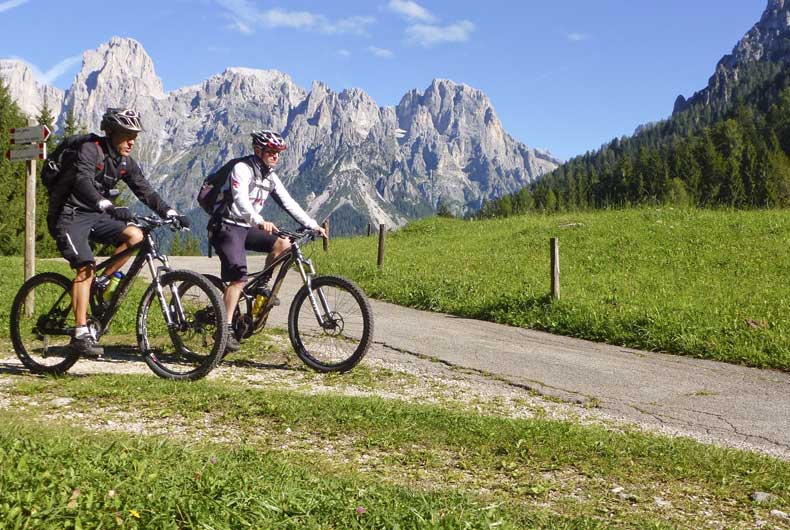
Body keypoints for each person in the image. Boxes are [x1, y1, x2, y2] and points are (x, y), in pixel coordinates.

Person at [53, 107, 182, 357]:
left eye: (134, 135)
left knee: (135, 236)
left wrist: (170, 212)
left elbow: (145, 190)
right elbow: (82, 181)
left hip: (96, 215)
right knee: (85, 266)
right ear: (110, 132)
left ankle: (102, 282)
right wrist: (105, 204)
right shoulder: (91, 149)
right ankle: (80, 333)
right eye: (126, 134)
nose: (131, 141)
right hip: (69, 215)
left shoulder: (125, 161)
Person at [209, 130, 326, 352]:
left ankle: (262, 285)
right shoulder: (241, 169)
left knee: (283, 243)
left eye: (278, 153)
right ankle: (224, 330)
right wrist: (258, 220)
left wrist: (312, 225)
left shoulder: (269, 175)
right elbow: (241, 199)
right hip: (226, 225)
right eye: (271, 152)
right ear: (258, 150)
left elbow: (289, 203)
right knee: (238, 280)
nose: (276, 157)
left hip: (247, 227)